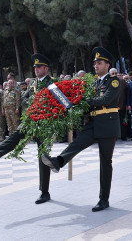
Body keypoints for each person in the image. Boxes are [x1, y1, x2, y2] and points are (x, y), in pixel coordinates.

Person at [41, 47, 121, 212]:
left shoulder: (114, 81)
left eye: (99, 63)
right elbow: (88, 103)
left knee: (105, 163)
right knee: (77, 143)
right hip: (93, 123)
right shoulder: (95, 83)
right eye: (95, 63)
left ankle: (103, 199)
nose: (96, 66)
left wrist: (81, 99)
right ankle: (58, 161)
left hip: (107, 124)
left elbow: (105, 99)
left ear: (107, 65)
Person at [0, 53, 54, 204]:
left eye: (39, 67)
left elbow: (59, 100)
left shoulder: (52, 83)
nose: (36, 69)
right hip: (31, 120)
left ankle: (44, 191)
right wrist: (34, 99)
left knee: (43, 156)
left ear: (46, 69)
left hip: (45, 123)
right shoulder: (33, 83)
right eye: (35, 67)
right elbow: (25, 98)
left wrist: (44, 100)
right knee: (13, 137)